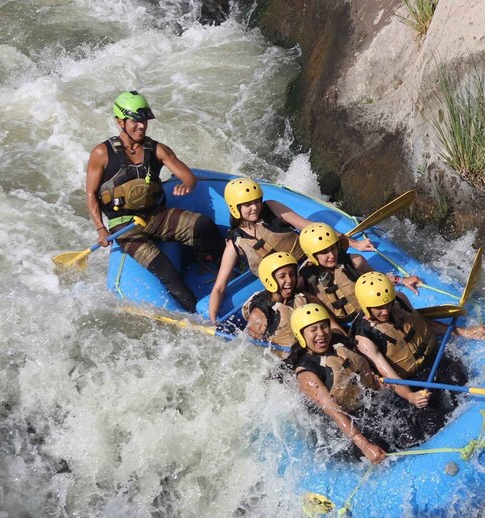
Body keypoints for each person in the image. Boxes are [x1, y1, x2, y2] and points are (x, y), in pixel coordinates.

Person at [85, 90, 223, 313]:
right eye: (135, 121)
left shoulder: (157, 149)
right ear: (120, 121)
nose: (141, 126)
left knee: (202, 224)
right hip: (124, 227)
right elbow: (91, 194)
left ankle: (219, 259)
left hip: (154, 215)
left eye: (144, 120)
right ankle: (198, 315)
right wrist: (101, 228)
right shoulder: (102, 153)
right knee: (165, 270)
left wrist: (187, 183)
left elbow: (187, 175)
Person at [207, 178, 374, 322]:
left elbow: (311, 227)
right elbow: (220, 286)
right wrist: (212, 317)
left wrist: (354, 243)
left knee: (357, 261)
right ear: (235, 208)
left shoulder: (272, 208)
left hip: (312, 262)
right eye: (248, 204)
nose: (255, 207)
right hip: (288, 284)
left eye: (257, 201)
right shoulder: (234, 243)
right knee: (301, 293)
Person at [287, 304, 435, 465]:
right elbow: (334, 412)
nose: (321, 334)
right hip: (346, 427)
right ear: (300, 334)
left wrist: (385, 386)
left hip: (370, 405)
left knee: (424, 425)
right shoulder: (307, 372)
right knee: (401, 444)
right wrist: (365, 446)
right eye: (313, 330)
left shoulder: (339, 342)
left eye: (324, 327)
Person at [351, 271, 485, 382]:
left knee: (459, 379)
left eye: (387, 304)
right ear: (366, 306)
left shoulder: (400, 300)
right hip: (411, 379)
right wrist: (410, 396)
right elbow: (391, 378)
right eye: (379, 308)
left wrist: (463, 332)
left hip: (435, 357)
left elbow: (422, 324)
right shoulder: (364, 337)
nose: (386, 311)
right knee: (430, 416)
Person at [297, 223, 422, 324]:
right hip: (339, 325)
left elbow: (377, 280)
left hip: (368, 316)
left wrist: (401, 280)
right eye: (324, 252)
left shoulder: (354, 262)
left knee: (399, 297)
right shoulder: (306, 277)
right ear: (312, 255)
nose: (331, 255)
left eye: (333, 248)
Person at [241, 251, 345, 352]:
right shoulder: (259, 314)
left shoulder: (307, 298)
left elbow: (335, 328)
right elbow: (252, 352)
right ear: (269, 280)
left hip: (313, 354)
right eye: (282, 276)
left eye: (292, 274)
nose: (289, 280)